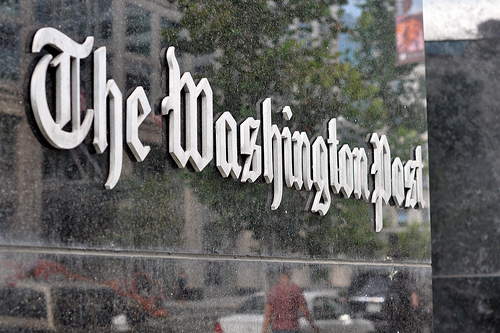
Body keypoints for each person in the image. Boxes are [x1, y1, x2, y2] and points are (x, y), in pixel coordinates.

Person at [262, 267, 319, 333]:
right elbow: (304, 311)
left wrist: (264, 330)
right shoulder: (295, 289)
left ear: (278, 274)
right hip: (292, 327)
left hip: (277, 328)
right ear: (290, 273)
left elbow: (268, 314)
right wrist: (312, 325)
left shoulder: (273, 290)